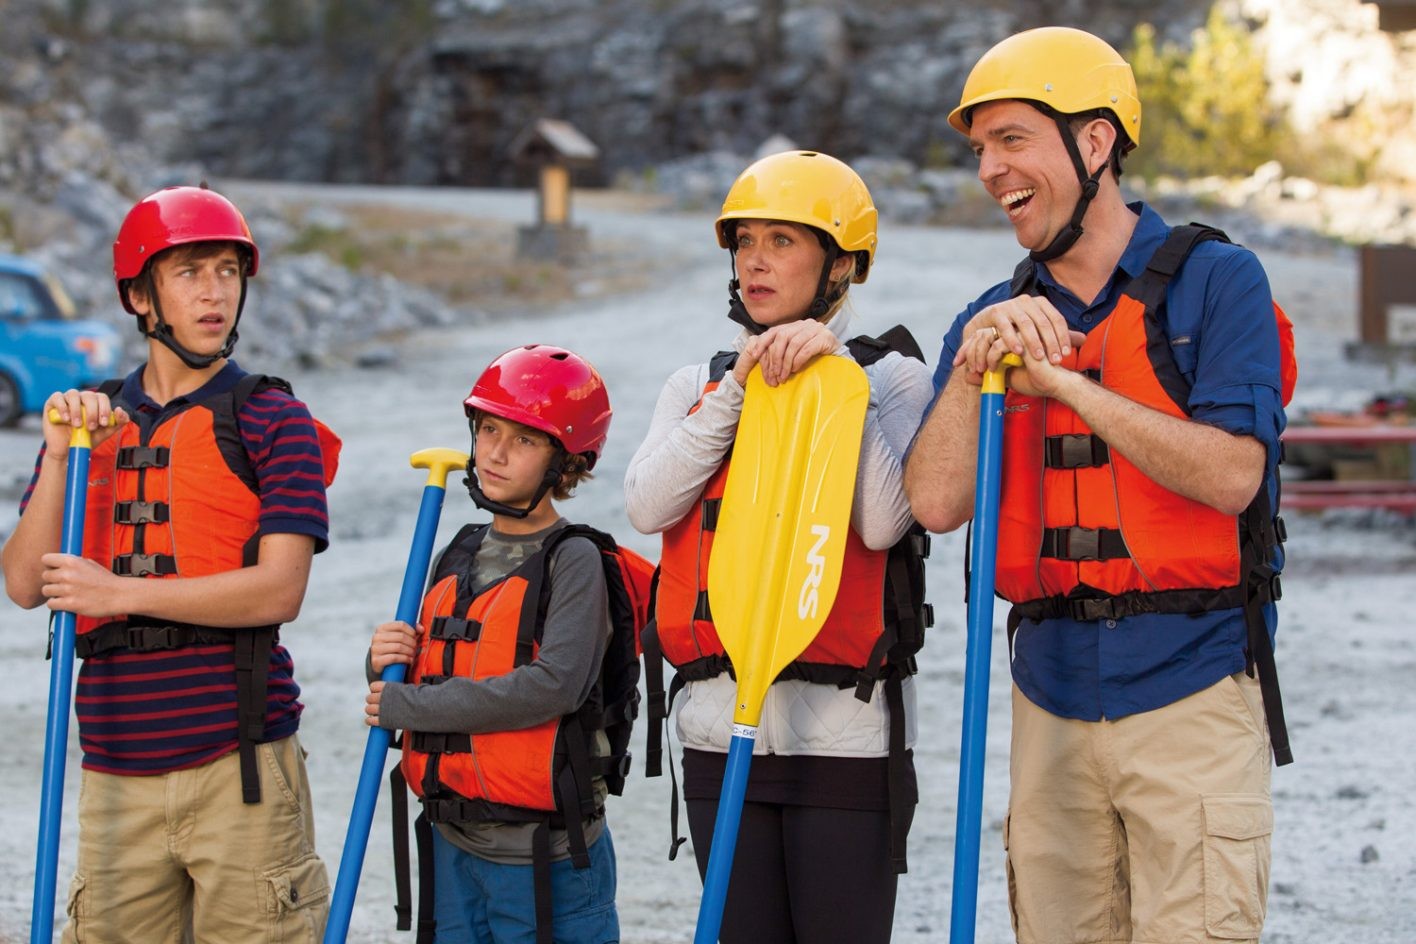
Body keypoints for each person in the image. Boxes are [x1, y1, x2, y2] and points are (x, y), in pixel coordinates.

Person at [904, 27, 1291, 944]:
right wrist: (973, 367)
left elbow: (1236, 475)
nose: (992, 171)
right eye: (980, 150)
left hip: (1193, 687)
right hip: (1050, 699)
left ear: (1094, 142)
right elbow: (934, 503)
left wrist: (1069, 385)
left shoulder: (1217, 281)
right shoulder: (988, 318)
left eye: (1011, 139)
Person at [2, 185, 334, 941]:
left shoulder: (272, 418)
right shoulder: (86, 420)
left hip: (241, 764)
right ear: (140, 297)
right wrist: (57, 456)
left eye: (227, 270)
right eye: (190, 272)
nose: (215, 290)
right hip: (115, 764)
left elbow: (280, 589)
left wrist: (119, 590)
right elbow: (23, 582)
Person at [624, 149, 935, 944]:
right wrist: (738, 390)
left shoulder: (889, 377)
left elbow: (881, 522)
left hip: (845, 736)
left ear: (842, 266)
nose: (756, 260)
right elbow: (647, 503)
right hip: (714, 728)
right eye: (745, 242)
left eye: (783, 241)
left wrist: (837, 385)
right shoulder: (697, 383)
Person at [366, 344, 632, 944]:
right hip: (451, 842)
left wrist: (409, 706)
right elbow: (417, 670)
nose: (495, 452)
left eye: (524, 440)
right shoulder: (458, 548)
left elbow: (553, 685)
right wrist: (383, 660)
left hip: (547, 858)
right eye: (488, 429)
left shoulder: (576, 559)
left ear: (566, 463)